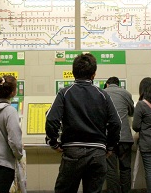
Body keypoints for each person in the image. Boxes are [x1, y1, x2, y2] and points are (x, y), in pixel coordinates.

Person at [45, 53, 121, 193]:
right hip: (98, 153)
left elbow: (51, 119)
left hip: (72, 152)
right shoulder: (103, 95)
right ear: (93, 74)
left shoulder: (65, 93)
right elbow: (116, 123)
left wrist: (53, 143)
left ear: (73, 73)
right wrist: (110, 147)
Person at [104, 76, 134, 193]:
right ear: (118, 84)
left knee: (111, 169)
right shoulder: (126, 93)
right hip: (125, 138)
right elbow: (132, 112)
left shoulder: (102, 93)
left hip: (109, 138)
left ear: (107, 84)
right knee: (125, 168)